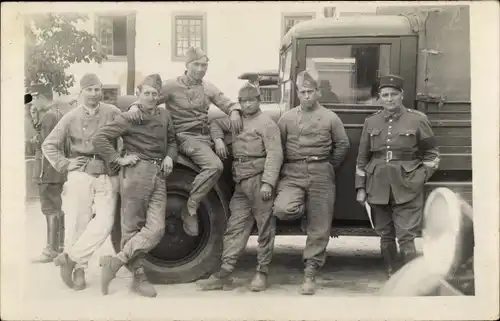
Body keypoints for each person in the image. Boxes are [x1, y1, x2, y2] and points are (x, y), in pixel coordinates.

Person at [124, 47, 243, 237]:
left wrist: (235, 111)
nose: (201, 69)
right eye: (196, 64)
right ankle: (190, 207)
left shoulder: (207, 87)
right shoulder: (172, 86)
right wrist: (134, 108)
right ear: (187, 66)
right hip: (185, 136)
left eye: (204, 65)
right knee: (214, 166)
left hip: (205, 138)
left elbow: (227, 103)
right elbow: (148, 97)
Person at [92, 74, 178, 298]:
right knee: (131, 229)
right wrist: (118, 159)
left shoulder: (165, 115)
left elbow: (173, 140)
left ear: (159, 96)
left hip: (159, 175)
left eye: (154, 94)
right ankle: (139, 278)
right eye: (147, 93)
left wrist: (170, 156)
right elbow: (99, 138)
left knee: (156, 229)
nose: (151, 97)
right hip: (136, 174)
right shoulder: (129, 117)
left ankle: (116, 261)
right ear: (139, 94)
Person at [196, 82, 283, 292]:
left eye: (251, 100)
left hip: (259, 179)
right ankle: (225, 273)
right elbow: (216, 125)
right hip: (241, 183)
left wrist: (268, 182)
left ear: (259, 101)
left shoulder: (266, 123)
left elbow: (275, 154)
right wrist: (217, 140)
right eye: (243, 101)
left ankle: (262, 273)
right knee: (235, 227)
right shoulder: (237, 119)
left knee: (265, 228)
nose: (247, 105)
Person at [273, 70, 350, 295]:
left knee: (320, 224)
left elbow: (342, 145)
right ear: (298, 93)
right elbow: (278, 147)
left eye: (310, 91)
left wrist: (326, 166)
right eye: (302, 92)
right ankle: (306, 209)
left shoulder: (330, 117)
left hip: (321, 171)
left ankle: (310, 270)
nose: (306, 96)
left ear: (318, 93)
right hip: (293, 171)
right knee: (282, 209)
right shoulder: (287, 118)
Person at [41, 73, 122, 291]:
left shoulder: (112, 112)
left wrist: (119, 158)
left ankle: (70, 257)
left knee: (105, 221)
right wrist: (66, 164)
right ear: (81, 92)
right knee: (78, 220)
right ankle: (79, 270)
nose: (94, 94)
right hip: (81, 172)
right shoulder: (71, 116)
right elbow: (48, 145)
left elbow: (126, 134)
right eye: (90, 89)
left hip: (106, 172)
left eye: (98, 89)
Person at [355, 74, 440, 278]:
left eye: (394, 94)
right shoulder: (371, 121)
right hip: (377, 185)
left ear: (402, 95)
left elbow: (432, 155)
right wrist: (360, 187)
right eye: (385, 95)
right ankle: (391, 271)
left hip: (407, 185)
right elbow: (362, 158)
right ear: (379, 98)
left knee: (406, 236)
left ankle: (408, 276)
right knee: (385, 234)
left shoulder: (418, 120)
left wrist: (419, 178)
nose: (389, 99)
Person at [27, 84, 68, 263]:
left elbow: (46, 146)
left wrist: (35, 140)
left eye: (34, 98)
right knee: (57, 208)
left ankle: (50, 250)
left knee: (50, 209)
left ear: (41, 97)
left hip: (48, 171)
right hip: (57, 171)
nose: (32, 103)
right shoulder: (58, 114)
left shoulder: (48, 117)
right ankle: (59, 247)